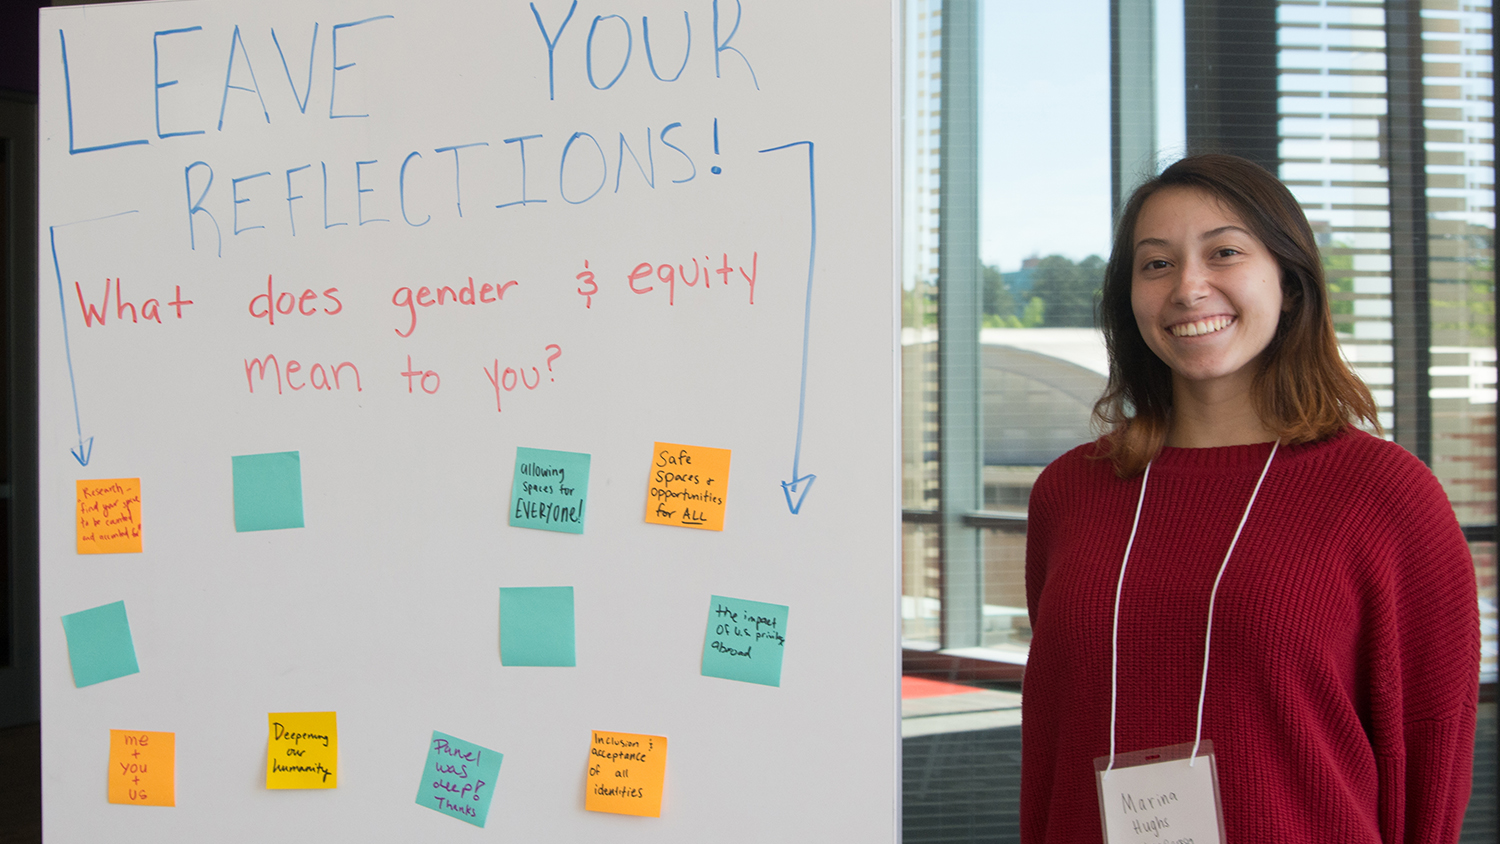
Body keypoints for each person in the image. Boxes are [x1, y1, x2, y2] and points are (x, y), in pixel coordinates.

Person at [1021, 154, 1479, 843]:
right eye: (1156, 264)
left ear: (1289, 285)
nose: (1188, 287)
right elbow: (1050, 739)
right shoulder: (1070, 492)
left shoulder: (1386, 496)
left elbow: (1430, 751)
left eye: (1224, 253)